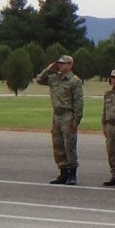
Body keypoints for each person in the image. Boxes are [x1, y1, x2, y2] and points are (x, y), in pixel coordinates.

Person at [35, 55, 84, 185]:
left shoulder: (75, 81)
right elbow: (39, 79)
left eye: (63, 63)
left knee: (69, 145)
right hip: (56, 115)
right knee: (58, 145)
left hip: (68, 115)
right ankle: (63, 173)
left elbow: (78, 102)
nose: (60, 65)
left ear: (70, 65)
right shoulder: (54, 78)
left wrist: (76, 120)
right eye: (59, 63)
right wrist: (49, 68)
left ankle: (72, 174)